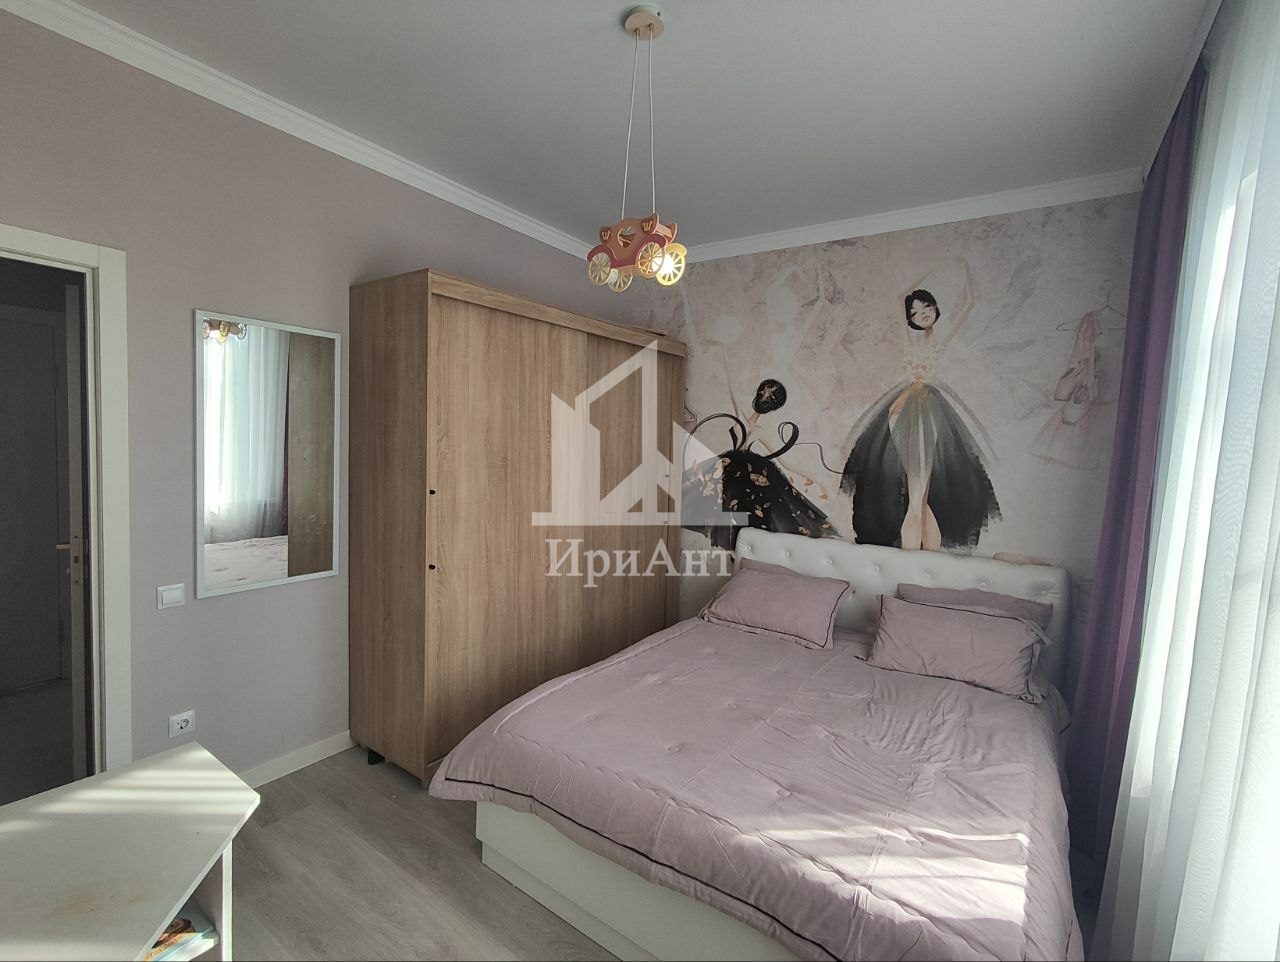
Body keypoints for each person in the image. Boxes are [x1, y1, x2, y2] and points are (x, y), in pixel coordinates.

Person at [840, 263, 1000, 550]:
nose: (922, 313)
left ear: (935, 308)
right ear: (910, 319)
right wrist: (930, 270)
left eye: (926, 307)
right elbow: (899, 297)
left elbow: (969, 304)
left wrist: (965, 269)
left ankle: (924, 555)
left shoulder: (938, 341)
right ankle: (914, 553)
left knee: (923, 496)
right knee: (917, 494)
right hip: (906, 408)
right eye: (915, 312)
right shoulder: (910, 340)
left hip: (927, 407)